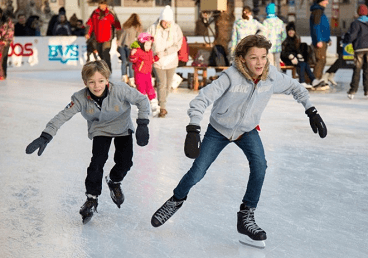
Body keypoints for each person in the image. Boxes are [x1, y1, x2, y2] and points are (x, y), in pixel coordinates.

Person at [150, 35, 327, 248]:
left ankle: (246, 216)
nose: (260, 62)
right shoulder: (230, 77)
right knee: (197, 172)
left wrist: (311, 110)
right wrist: (193, 128)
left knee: (260, 167)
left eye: (263, 57)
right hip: (219, 130)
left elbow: (297, 88)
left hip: (247, 130)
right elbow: (201, 99)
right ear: (242, 59)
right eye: (254, 58)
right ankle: (176, 200)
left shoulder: (271, 77)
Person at [25, 60, 151, 224]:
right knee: (97, 163)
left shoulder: (120, 89)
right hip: (100, 129)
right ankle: (91, 198)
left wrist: (142, 123)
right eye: (91, 82)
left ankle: (114, 180)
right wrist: (46, 135)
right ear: (85, 82)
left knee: (125, 162)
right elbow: (63, 115)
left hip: (122, 127)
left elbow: (142, 100)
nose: (96, 86)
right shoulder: (79, 98)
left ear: (107, 79)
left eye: (100, 81)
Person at [147, 5, 183, 118]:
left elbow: (178, 44)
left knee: (168, 85)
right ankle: (162, 107)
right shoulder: (153, 28)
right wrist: (152, 51)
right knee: (161, 84)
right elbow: (146, 41)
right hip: (157, 61)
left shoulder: (176, 28)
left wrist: (166, 52)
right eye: (164, 21)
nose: (166, 24)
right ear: (160, 19)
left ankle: (161, 102)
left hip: (171, 60)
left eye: (168, 21)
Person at [281, 22, 327, 90]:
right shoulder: (285, 41)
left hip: (295, 58)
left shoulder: (296, 39)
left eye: (292, 30)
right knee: (302, 64)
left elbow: (297, 50)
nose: (291, 32)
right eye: (289, 30)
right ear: (287, 31)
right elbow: (283, 53)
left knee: (305, 63)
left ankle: (313, 80)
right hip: (288, 59)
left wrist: (299, 55)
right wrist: (291, 57)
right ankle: (302, 82)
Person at [86, 0, 121, 72]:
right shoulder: (95, 13)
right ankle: (103, 68)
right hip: (97, 37)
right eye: (101, 4)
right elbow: (90, 23)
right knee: (100, 53)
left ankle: (108, 69)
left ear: (106, 5)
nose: (102, 6)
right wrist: (88, 33)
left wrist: (118, 37)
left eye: (104, 4)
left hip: (107, 38)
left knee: (105, 52)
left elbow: (117, 25)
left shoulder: (110, 13)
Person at [130, 32, 160, 116]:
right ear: (141, 44)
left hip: (147, 74)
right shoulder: (137, 51)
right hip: (139, 75)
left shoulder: (150, 52)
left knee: (150, 89)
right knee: (141, 91)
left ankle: (154, 105)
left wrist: (157, 57)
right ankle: (142, 108)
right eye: (146, 45)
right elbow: (133, 60)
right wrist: (133, 55)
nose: (148, 47)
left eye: (150, 45)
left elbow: (151, 60)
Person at [342, 4, 368, 99]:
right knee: (367, 70)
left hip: (359, 49)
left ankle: (353, 91)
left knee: (357, 70)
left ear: (358, 12)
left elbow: (352, 35)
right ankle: (367, 90)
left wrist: (345, 40)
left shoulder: (356, 23)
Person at [117, 13, 142, 84]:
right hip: (131, 47)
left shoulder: (125, 26)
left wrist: (118, 46)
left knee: (124, 62)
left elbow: (121, 37)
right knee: (131, 63)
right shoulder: (137, 27)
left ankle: (124, 77)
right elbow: (139, 38)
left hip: (122, 46)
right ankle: (131, 78)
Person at [309, 0, 331, 82]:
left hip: (323, 40)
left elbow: (323, 27)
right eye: (326, 0)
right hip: (320, 41)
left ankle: (317, 79)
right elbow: (316, 27)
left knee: (323, 60)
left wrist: (328, 39)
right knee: (320, 60)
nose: (327, 2)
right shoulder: (317, 11)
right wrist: (319, 40)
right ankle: (315, 81)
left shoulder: (320, 11)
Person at [262, 3, 286, 71]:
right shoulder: (280, 22)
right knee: (277, 63)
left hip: (269, 46)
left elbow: (264, 36)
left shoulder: (265, 22)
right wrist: (280, 41)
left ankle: (271, 79)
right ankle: (278, 79)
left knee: (270, 64)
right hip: (278, 46)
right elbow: (284, 35)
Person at [0, 8, 14, 80]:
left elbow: (10, 31)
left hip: (5, 43)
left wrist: (5, 40)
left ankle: (3, 74)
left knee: (3, 59)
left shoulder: (7, 20)